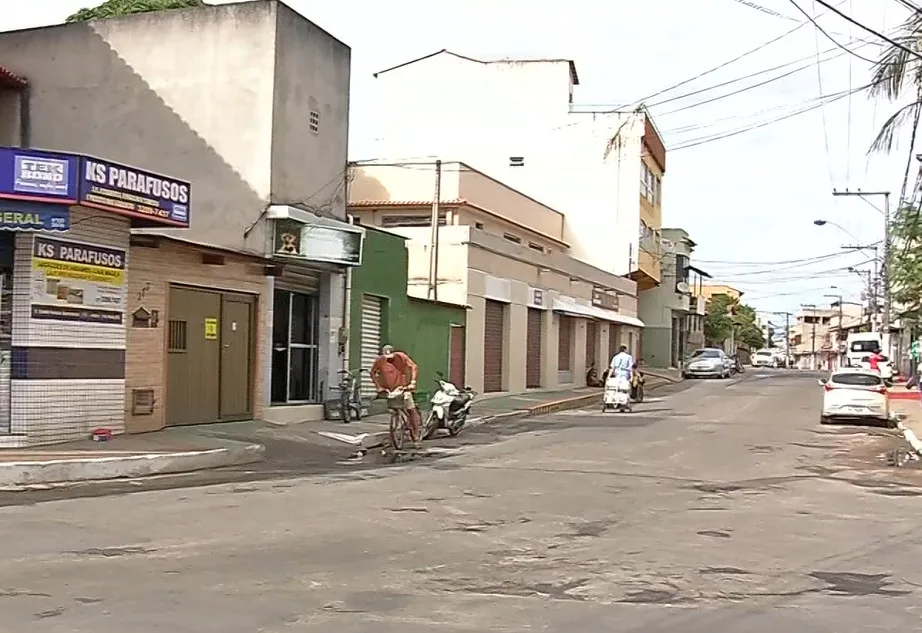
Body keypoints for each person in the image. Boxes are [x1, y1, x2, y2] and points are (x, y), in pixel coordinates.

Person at [370, 344, 422, 448]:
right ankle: (393, 434)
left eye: (391, 359)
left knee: (410, 409)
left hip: (403, 388)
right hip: (390, 390)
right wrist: (378, 386)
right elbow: (373, 373)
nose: (390, 361)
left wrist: (412, 382)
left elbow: (413, 367)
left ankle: (416, 436)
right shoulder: (380, 361)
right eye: (387, 359)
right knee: (393, 409)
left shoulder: (401, 357)